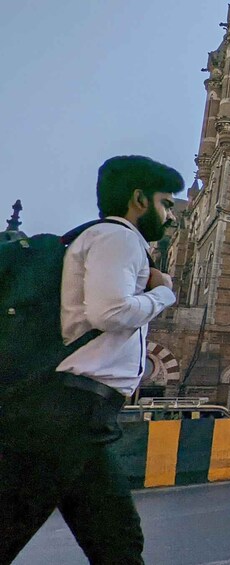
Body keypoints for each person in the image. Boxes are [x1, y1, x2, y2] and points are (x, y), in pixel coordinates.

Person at [0, 155, 182, 565]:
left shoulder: (101, 239)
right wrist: (164, 292)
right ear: (139, 198)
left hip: (80, 416)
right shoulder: (118, 238)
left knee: (117, 540)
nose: (171, 216)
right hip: (64, 413)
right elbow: (110, 312)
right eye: (166, 203)